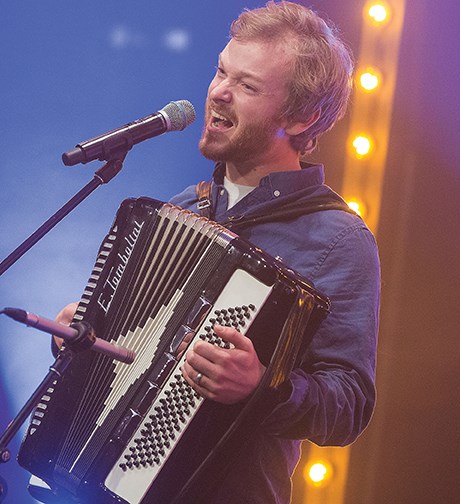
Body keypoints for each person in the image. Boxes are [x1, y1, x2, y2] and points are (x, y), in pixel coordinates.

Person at [46, 2, 379, 502]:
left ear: (302, 116)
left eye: (247, 86)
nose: (218, 91)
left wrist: (263, 385)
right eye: (222, 71)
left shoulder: (337, 238)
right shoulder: (181, 210)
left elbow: (349, 405)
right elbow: (139, 353)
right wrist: (90, 338)